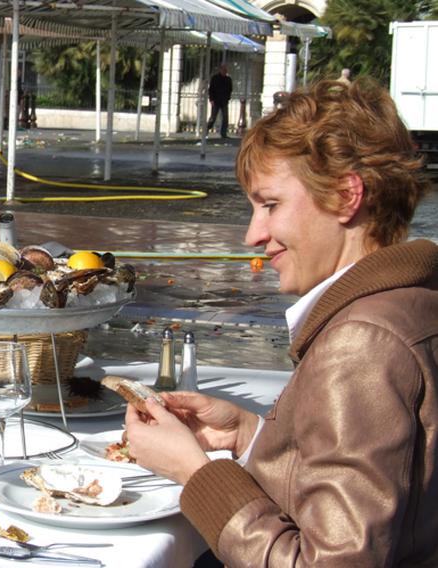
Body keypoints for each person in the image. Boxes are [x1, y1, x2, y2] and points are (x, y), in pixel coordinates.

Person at [125, 79, 437, 567]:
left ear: (346, 196)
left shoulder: (361, 342)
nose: (253, 234)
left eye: (270, 205)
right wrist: (251, 437)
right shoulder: (412, 301)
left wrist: (194, 473)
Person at [206, 63, 233, 138]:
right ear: (220, 70)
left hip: (224, 101)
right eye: (223, 70)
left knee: (225, 117)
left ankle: (223, 133)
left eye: (226, 70)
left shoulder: (228, 79)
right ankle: (207, 129)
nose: (225, 71)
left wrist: (228, 98)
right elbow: (211, 89)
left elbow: (230, 89)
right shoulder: (215, 78)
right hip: (216, 100)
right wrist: (211, 99)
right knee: (213, 117)